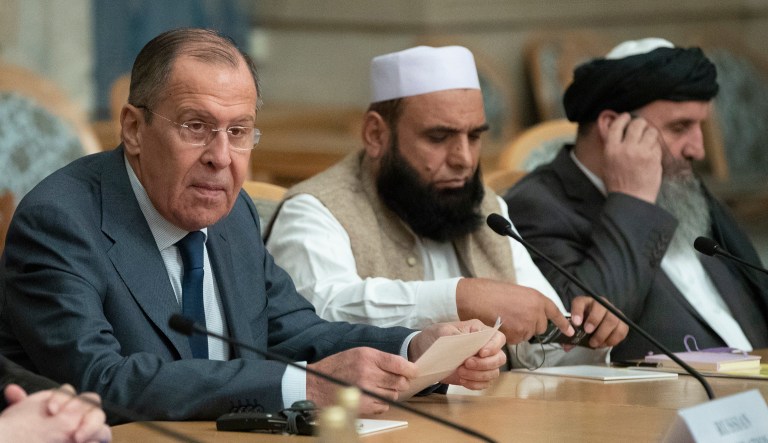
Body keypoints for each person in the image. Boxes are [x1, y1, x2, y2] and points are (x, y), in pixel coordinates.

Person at [0, 28, 506, 422]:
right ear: (133, 128)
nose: (221, 158)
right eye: (196, 127)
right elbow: (100, 381)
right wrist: (301, 385)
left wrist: (413, 349)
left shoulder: (230, 211)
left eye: (239, 132)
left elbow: (293, 331)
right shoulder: (60, 221)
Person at [266, 45, 627, 367]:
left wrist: (589, 335)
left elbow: (538, 348)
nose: (464, 159)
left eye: (474, 137)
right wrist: (458, 298)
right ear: (376, 135)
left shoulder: (488, 209)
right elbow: (318, 312)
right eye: (439, 138)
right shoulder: (316, 208)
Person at [504, 38, 768, 360]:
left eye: (701, 126)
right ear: (614, 126)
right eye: (680, 127)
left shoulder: (683, 192)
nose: (698, 149)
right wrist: (632, 200)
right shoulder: (537, 208)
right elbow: (582, 334)